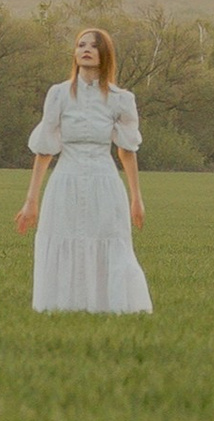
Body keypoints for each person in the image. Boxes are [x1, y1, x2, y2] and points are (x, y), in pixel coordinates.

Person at [18, 25, 151, 313]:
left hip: (104, 183)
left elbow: (127, 151)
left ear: (105, 55)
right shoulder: (59, 95)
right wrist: (31, 200)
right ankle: (62, 308)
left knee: (110, 242)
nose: (86, 50)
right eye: (81, 45)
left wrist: (136, 197)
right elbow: (44, 150)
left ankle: (108, 307)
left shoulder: (120, 99)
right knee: (65, 239)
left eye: (93, 45)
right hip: (65, 181)